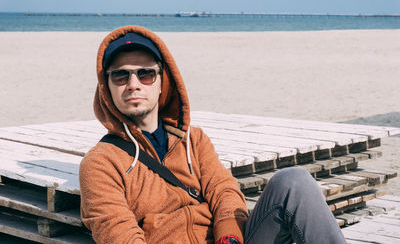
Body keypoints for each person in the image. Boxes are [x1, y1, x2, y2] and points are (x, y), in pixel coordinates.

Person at [79, 25, 346, 244]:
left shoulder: (194, 140)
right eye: (121, 76)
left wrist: (228, 232)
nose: (133, 84)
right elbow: (117, 233)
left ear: (163, 82)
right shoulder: (101, 163)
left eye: (146, 74)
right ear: (107, 88)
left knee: (293, 181)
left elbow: (223, 189)